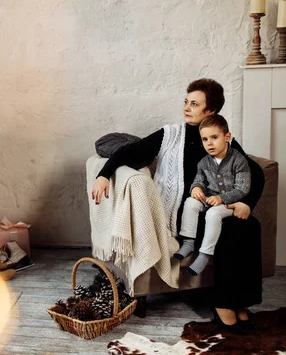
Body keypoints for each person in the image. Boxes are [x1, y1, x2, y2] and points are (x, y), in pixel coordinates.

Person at [91, 78, 264, 333]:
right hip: (184, 214)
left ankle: (241, 303)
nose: (187, 107)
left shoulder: (219, 137)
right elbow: (128, 152)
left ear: (211, 112)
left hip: (214, 206)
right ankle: (223, 304)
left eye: (195, 104)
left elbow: (255, 172)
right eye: (186, 101)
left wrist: (247, 203)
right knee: (230, 232)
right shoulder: (170, 135)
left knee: (250, 225)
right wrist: (104, 175)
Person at [174, 114, 251, 277]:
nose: (209, 143)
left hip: (230, 204)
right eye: (205, 139)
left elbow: (243, 188)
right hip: (209, 199)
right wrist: (196, 188)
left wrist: (222, 199)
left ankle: (205, 255)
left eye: (214, 137)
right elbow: (199, 180)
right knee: (190, 202)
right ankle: (188, 242)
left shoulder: (239, 160)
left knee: (213, 213)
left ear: (227, 136)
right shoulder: (204, 162)